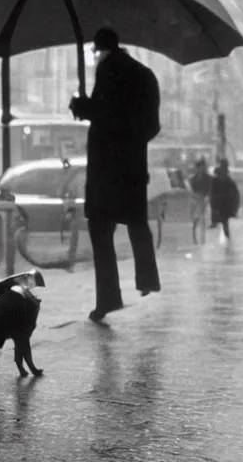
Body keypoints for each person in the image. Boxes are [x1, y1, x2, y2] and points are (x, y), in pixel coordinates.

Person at [69, 28, 161, 323]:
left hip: (106, 169)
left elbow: (106, 114)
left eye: (95, 52)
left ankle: (108, 297)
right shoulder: (145, 75)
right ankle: (147, 278)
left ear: (101, 49)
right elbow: (149, 125)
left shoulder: (108, 71)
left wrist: (82, 107)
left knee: (100, 230)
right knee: (136, 221)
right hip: (133, 167)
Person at [209, 159, 240, 242]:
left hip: (223, 205)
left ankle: (226, 238)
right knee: (224, 222)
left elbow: (234, 195)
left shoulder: (226, 180)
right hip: (222, 204)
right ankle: (226, 238)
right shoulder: (225, 180)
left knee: (224, 222)